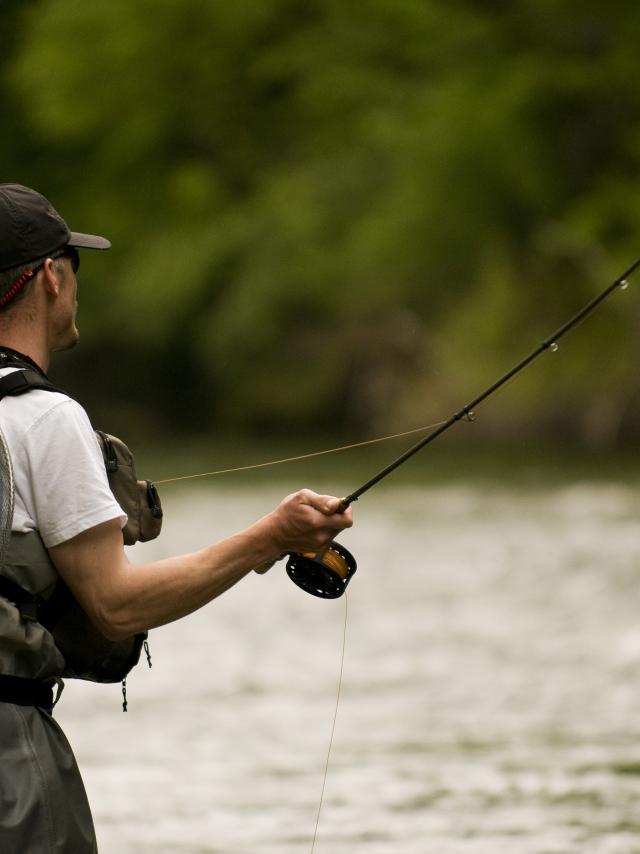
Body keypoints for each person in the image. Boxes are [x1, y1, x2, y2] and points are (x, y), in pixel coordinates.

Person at [0, 183, 354, 854]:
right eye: (74, 268)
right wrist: (269, 536)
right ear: (49, 276)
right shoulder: (45, 418)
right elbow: (116, 606)